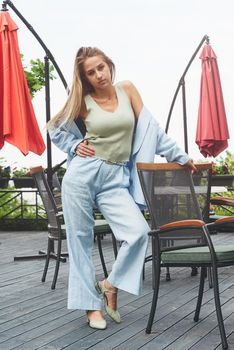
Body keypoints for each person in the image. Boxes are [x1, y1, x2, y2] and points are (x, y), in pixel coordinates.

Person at [48, 47, 196, 330]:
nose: (98, 75)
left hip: (115, 179)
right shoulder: (82, 101)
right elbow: (55, 128)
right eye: (91, 72)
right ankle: (91, 308)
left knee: (138, 233)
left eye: (101, 67)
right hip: (82, 175)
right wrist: (72, 145)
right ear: (85, 77)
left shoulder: (127, 90)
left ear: (109, 65)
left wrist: (181, 156)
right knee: (79, 240)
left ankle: (109, 284)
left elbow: (153, 131)